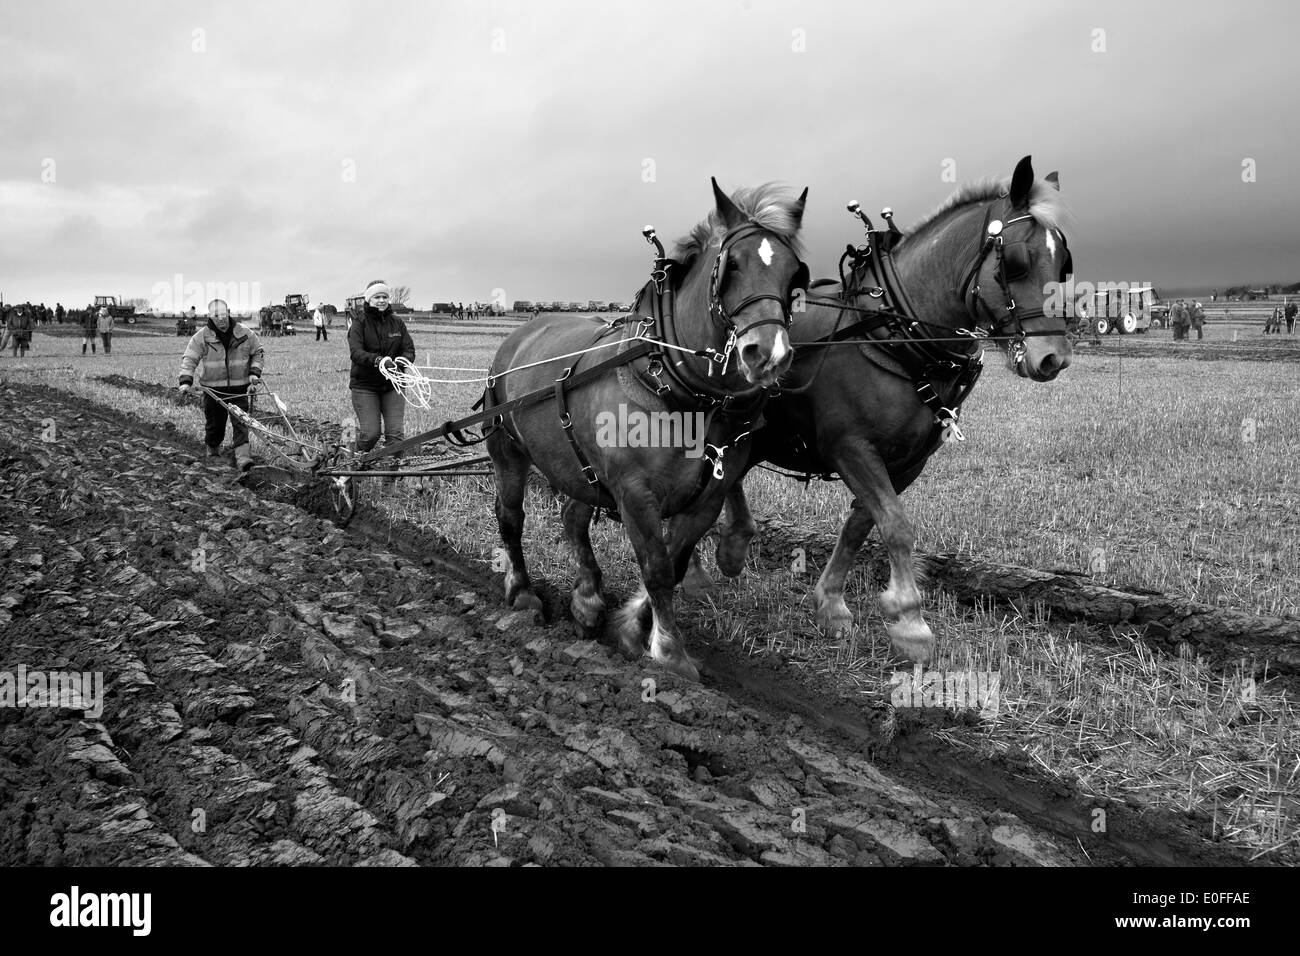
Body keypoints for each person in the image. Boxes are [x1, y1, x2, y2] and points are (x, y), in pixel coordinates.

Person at [178, 298, 265, 472]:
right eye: (216, 315)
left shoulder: (245, 333)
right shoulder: (201, 337)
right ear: (210, 316)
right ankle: (213, 453)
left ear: (229, 312)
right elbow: (190, 359)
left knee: (241, 423)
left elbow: (258, 353)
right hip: (213, 390)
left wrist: (254, 374)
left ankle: (243, 459)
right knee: (215, 425)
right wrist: (185, 382)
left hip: (239, 388)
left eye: (223, 314)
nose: (221, 319)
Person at [348, 279, 415, 488]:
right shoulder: (359, 324)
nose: (382, 300)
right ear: (369, 299)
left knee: (395, 436)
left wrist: (404, 359)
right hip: (365, 386)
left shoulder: (397, 323)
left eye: (385, 297)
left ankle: (389, 484)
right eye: (377, 297)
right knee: (371, 433)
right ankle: (353, 463)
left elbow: (409, 349)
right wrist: (377, 360)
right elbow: (356, 353)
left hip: (393, 384)